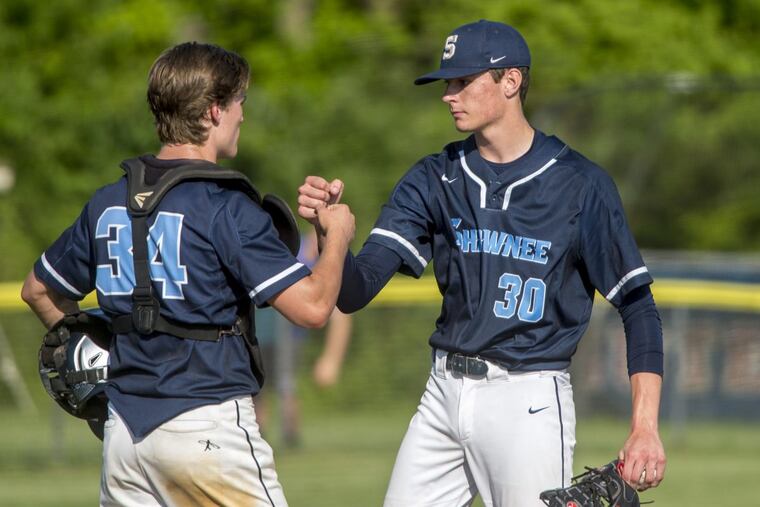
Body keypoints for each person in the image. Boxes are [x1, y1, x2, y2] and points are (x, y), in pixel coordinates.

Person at [297, 20, 666, 507]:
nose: (449, 94)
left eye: (463, 81)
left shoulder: (580, 184)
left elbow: (638, 308)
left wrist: (644, 427)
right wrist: (332, 238)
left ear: (510, 82)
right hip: (442, 394)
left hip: (527, 398)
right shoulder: (434, 177)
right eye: (447, 83)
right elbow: (355, 291)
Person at [21, 41, 354, 507]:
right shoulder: (225, 205)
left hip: (125, 436)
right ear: (215, 111)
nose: (243, 115)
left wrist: (101, 357)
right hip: (207, 429)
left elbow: (38, 291)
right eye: (240, 103)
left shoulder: (107, 202)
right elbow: (315, 309)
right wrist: (335, 234)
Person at [256, 230, 353, 447]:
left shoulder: (316, 254)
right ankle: (259, 434)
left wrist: (332, 359)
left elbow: (341, 314)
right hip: (261, 331)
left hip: (290, 334)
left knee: (286, 384)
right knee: (256, 387)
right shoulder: (278, 244)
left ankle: (290, 436)